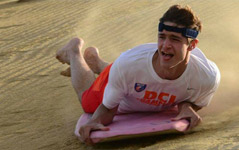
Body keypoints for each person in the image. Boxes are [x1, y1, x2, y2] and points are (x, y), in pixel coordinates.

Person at [56, 4, 220, 144]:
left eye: (175, 39)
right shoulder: (128, 66)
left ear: (192, 45)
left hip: (128, 74)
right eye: (162, 37)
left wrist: (186, 107)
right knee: (88, 103)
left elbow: (193, 100)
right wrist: (94, 121)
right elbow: (107, 109)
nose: (165, 45)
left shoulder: (207, 77)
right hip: (123, 77)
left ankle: (97, 63)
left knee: (128, 74)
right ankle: (74, 52)